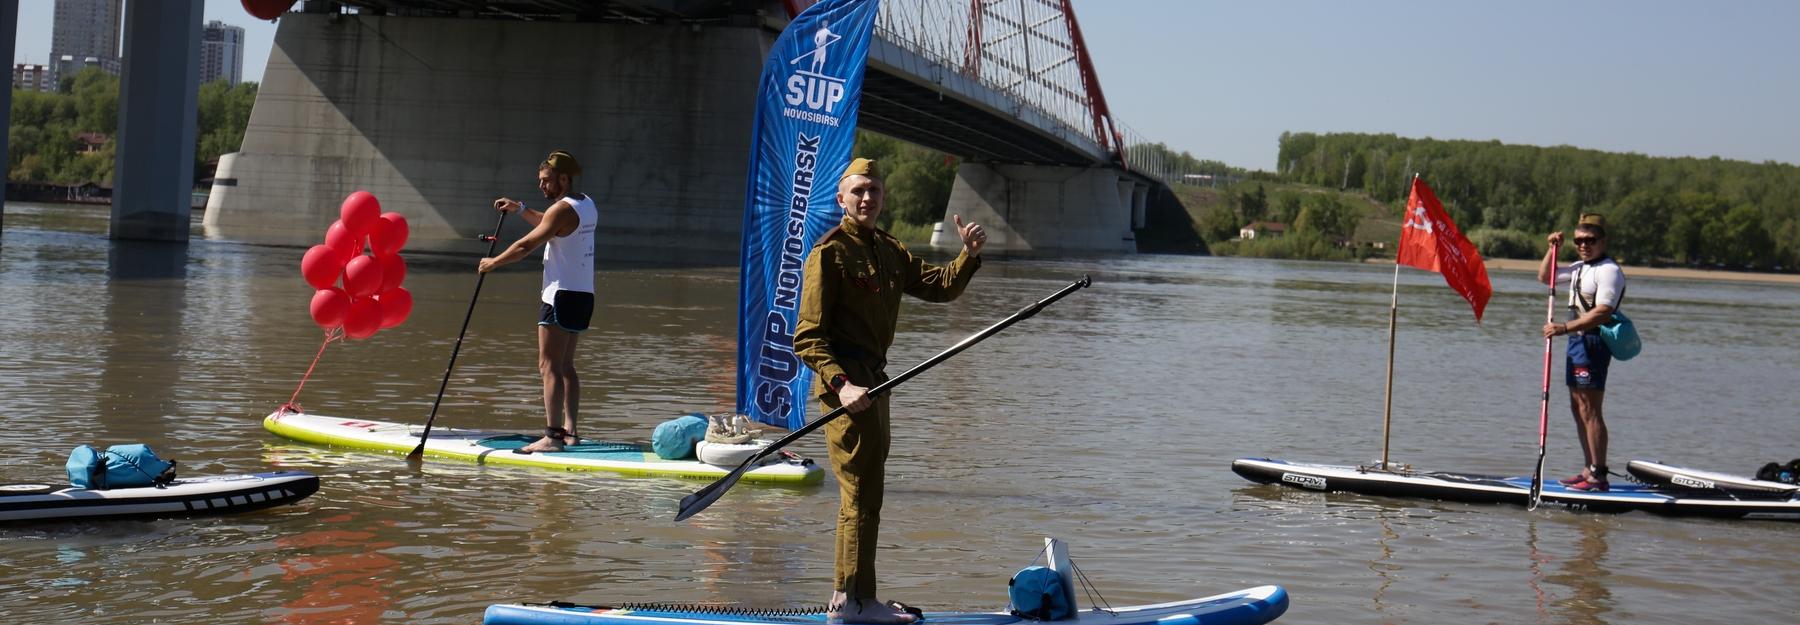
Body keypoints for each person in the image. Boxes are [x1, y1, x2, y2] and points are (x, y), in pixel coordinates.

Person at [793, 158, 986, 624]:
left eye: (874, 191)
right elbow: (807, 337)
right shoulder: (830, 253)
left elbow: (939, 287)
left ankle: (846, 598)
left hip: (877, 385)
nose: (866, 198)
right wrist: (840, 386)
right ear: (841, 199)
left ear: (882, 197)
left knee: (863, 496)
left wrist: (967, 256)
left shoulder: (889, 250)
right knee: (860, 493)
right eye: (858, 191)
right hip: (846, 388)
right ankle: (858, 602)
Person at [481, 150, 599, 454]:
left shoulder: (560, 211)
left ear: (564, 178)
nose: (542, 186)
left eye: (546, 181)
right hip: (583, 294)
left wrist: (493, 263)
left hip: (558, 296)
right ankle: (571, 431)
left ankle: (552, 437)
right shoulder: (585, 204)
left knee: (548, 366)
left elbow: (527, 244)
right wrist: (520, 209)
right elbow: (549, 224)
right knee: (566, 366)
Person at [1538, 213, 1626, 492]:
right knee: (1577, 408)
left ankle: (1599, 475)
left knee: (1590, 410)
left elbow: (1602, 312)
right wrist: (1553, 249)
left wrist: (1563, 327)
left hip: (1594, 343)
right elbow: (1545, 277)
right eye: (1578, 241)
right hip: (1576, 342)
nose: (1584, 245)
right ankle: (1588, 468)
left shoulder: (1608, 270)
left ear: (1603, 241)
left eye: (1590, 240)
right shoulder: (1579, 267)